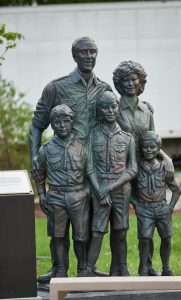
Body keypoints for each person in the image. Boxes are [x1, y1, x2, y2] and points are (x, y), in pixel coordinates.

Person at [30, 36, 112, 281]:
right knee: (59, 228)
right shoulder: (56, 87)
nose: (88, 56)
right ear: (74, 56)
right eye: (83, 52)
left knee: (88, 227)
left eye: (92, 51)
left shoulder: (105, 89)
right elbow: (36, 127)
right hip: (60, 167)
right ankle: (59, 270)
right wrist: (36, 156)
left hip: (93, 168)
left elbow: (114, 122)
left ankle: (87, 269)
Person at [112, 60, 174, 276]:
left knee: (146, 223)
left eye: (134, 79)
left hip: (146, 169)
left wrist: (167, 158)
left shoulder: (146, 110)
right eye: (125, 80)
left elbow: (154, 141)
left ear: (140, 82)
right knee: (121, 225)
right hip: (123, 171)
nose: (130, 83)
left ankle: (146, 266)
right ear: (119, 83)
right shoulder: (114, 108)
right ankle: (119, 267)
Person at [82, 91, 138, 276]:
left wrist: (110, 188)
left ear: (118, 107)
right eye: (105, 107)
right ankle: (89, 269)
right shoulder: (92, 135)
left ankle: (122, 267)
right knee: (97, 230)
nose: (110, 110)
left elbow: (132, 169)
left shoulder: (128, 138)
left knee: (121, 230)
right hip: (99, 189)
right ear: (99, 109)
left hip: (121, 190)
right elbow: (88, 167)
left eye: (113, 106)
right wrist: (100, 190)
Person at [33, 104, 90, 277]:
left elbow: (90, 174)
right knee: (58, 236)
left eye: (66, 121)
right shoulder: (45, 150)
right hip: (56, 196)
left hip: (78, 196)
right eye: (57, 122)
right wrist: (42, 195)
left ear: (72, 122)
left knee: (80, 237)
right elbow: (38, 174)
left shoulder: (82, 148)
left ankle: (83, 270)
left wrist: (85, 193)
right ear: (52, 125)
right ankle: (60, 270)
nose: (62, 125)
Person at [135, 131, 181, 276]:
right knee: (144, 239)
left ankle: (166, 268)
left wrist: (170, 208)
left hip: (162, 209)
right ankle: (143, 268)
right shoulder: (136, 168)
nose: (148, 150)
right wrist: (136, 204)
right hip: (144, 209)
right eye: (145, 147)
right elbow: (128, 190)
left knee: (166, 238)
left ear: (158, 149)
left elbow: (177, 190)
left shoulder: (164, 168)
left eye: (152, 147)